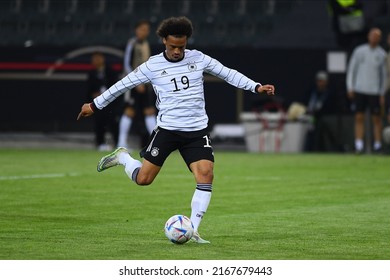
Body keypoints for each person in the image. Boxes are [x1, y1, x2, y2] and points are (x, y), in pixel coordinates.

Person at [77, 16, 275, 243]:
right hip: (168, 131)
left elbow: (227, 73)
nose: (178, 51)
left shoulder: (198, 58)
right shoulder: (152, 65)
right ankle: (122, 157)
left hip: (196, 131)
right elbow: (122, 85)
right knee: (144, 179)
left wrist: (256, 86)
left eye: (181, 46)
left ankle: (194, 230)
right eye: (173, 47)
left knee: (206, 175)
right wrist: (94, 105)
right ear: (163, 41)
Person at [346, 27, 388, 153]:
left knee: (377, 119)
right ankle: (358, 145)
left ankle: (378, 145)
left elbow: (384, 76)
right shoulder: (359, 51)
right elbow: (352, 70)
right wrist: (350, 86)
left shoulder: (382, 55)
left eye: (377, 36)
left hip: (374, 91)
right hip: (360, 89)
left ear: (380, 39)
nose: (374, 38)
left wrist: (382, 93)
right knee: (359, 117)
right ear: (368, 36)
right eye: (372, 35)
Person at [117, 20, 157, 149]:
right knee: (129, 111)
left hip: (145, 84)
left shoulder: (146, 44)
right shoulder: (132, 43)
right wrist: (135, 81)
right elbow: (127, 64)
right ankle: (121, 143)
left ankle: (156, 143)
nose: (145, 32)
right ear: (137, 30)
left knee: (149, 111)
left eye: (147, 29)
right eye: (143, 29)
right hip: (133, 83)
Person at [86, 52, 121, 151]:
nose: (96, 61)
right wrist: (93, 95)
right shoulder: (92, 73)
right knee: (99, 122)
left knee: (113, 123)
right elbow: (89, 90)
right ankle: (100, 143)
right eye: (94, 59)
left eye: (98, 58)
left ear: (102, 59)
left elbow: (116, 87)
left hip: (110, 103)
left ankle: (117, 143)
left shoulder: (111, 71)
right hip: (98, 104)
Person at [304, 71, 338, 152]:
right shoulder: (312, 92)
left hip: (325, 118)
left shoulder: (329, 94)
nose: (320, 83)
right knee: (311, 129)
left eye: (322, 81)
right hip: (311, 117)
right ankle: (308, 150)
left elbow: (330, 108)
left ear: (326, 82)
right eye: (318, 81)